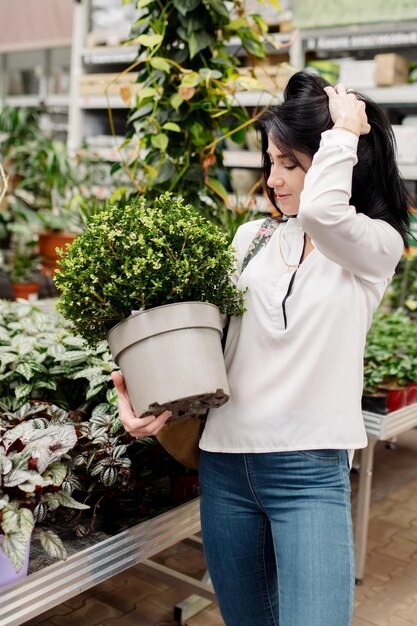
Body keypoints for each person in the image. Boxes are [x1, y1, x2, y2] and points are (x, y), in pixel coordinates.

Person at [112, 71, 412, 626]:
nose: (273, 179)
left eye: (291, 164)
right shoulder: (251, 239)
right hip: (225, 468)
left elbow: (325, 213)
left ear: (338, 164)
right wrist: (156, 400)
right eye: (271, 161)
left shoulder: (373, 245)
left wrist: (345, 130)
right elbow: (210, 349)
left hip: (308, 475)